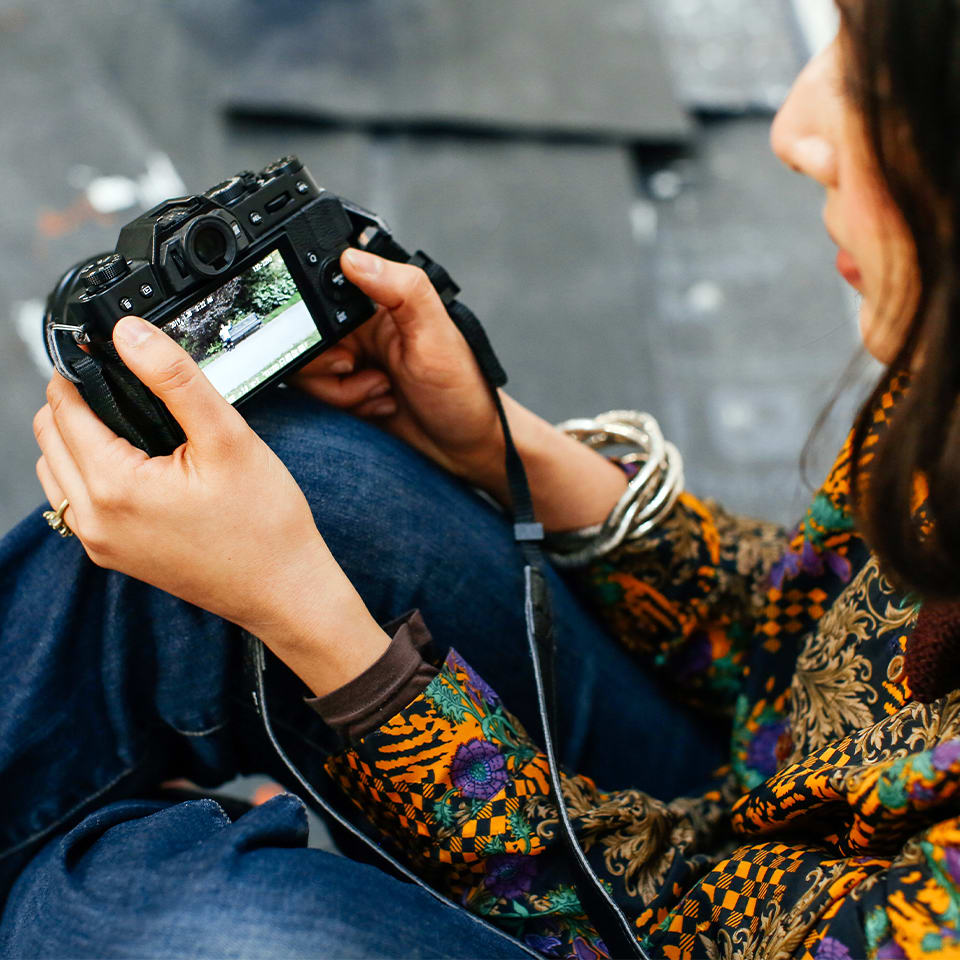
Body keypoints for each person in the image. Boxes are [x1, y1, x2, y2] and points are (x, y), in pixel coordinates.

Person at [3, 0, 959, 956]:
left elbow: (668, 936)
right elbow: (821, 639)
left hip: (688, 914)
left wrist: (320, 631)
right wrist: (501, 448)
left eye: (884, 74)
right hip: (749, 798)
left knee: (138, 922)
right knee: (302, 477)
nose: (794, 131)